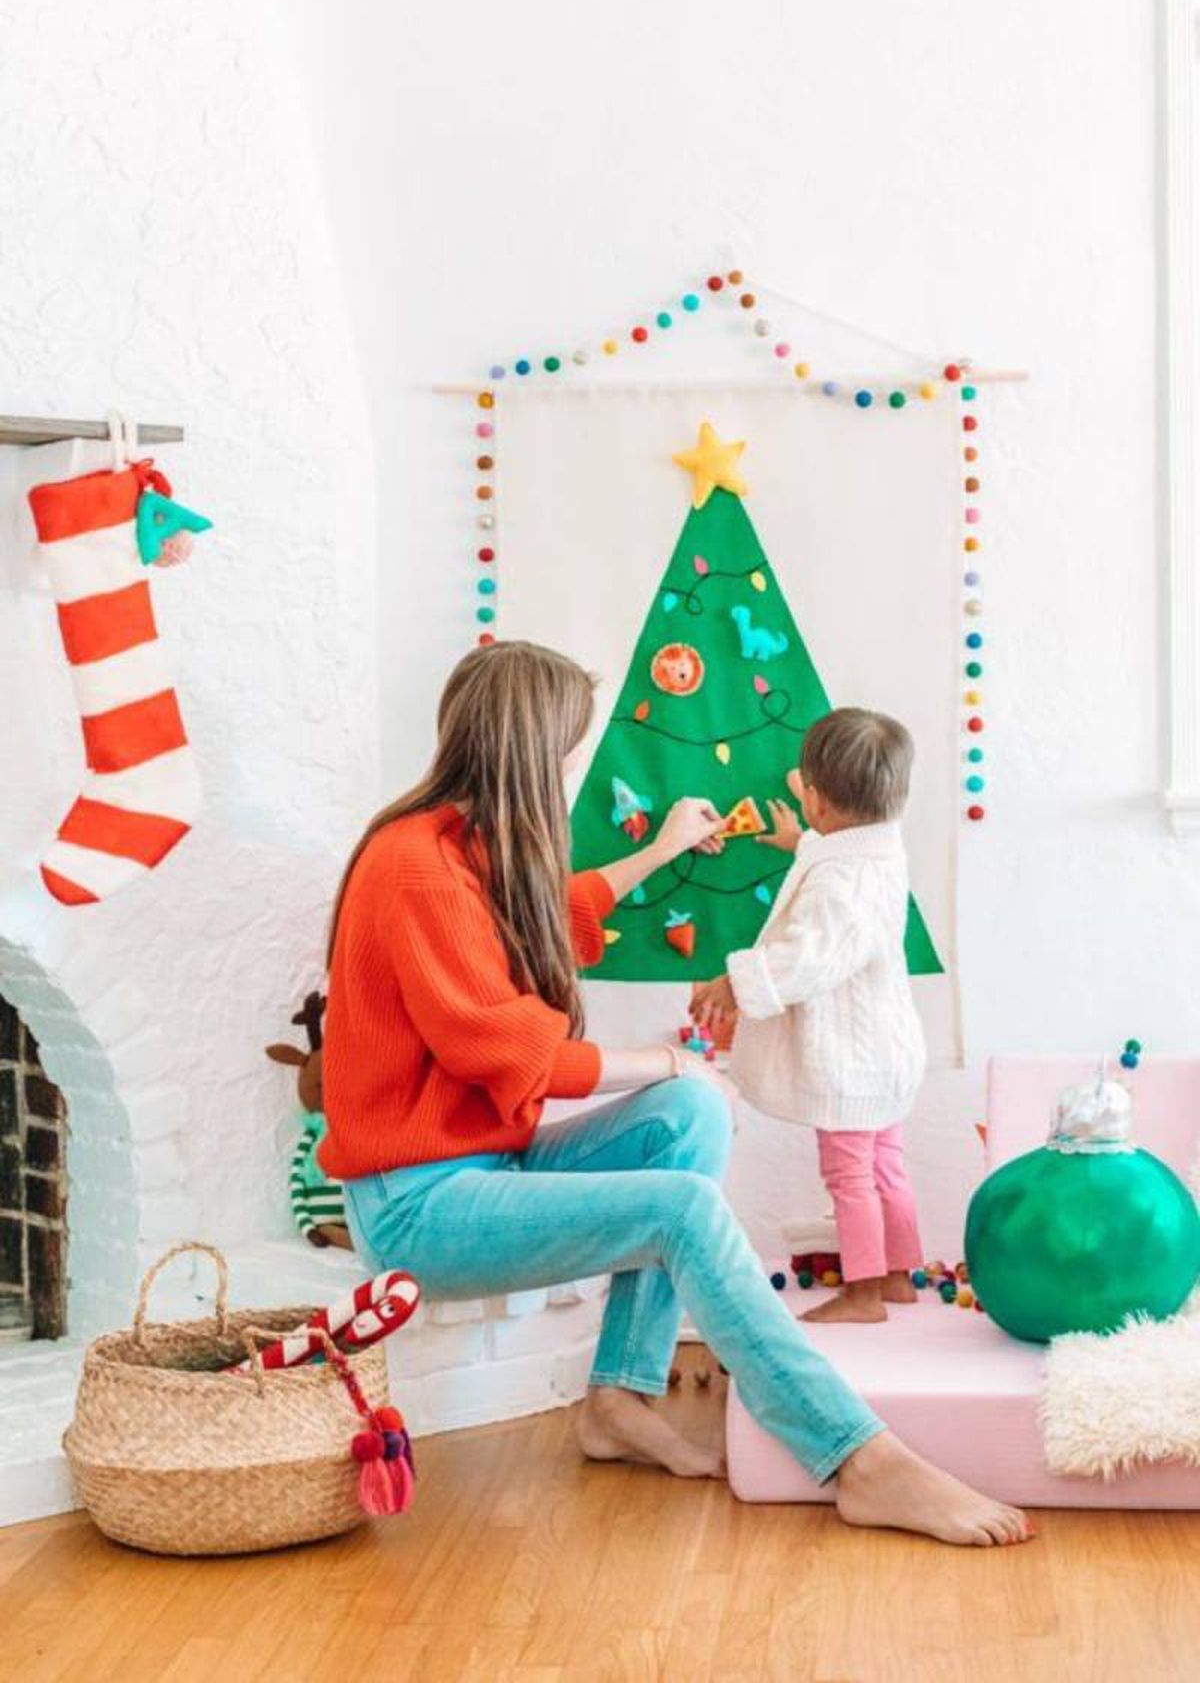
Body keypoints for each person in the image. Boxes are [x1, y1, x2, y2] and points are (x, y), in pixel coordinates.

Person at [321, 642, 1031, 1545]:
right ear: (530, 749)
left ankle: (617, 1400)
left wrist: (661, 852)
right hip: (420, 1204)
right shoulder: (412, 865)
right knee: (683, 1198)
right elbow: (512, 1052)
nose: (575, 769)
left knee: (690, 1115)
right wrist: (666, 1060)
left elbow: (553, 911)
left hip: (483, 1161)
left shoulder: (461, 848)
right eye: (570, 751)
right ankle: (858, 1458)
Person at [692, 708, 926, 1327]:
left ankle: (863, 1292)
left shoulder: (841, 884)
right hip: (889, 1047)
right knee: (886, 1164)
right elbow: (837, 859)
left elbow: (804, 961)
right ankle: (900, 1274)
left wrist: (733, 982)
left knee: (849, 1173)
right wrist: (800, 840)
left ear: (818, 801)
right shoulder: (878, 850)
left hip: (852, 1057)